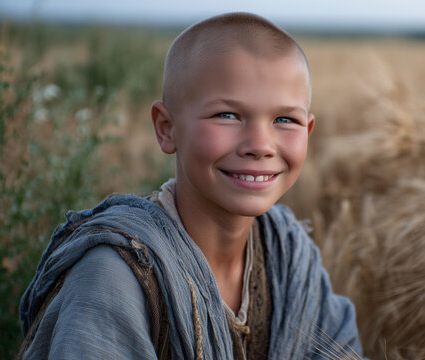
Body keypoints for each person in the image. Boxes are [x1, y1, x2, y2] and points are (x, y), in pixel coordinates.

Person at [19, 12, 365, 360]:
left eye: (284, 120)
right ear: (167, 128)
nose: (260, 144)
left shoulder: (290, 261)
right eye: (227, 115)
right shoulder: (114, 278)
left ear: (308, 131)